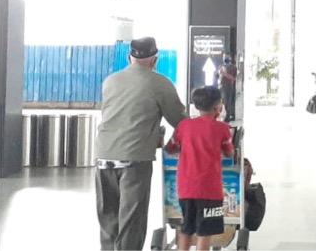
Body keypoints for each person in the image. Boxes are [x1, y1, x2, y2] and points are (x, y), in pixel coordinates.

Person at [95, 38, 186, 250]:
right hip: (134, 160)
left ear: (129, 58)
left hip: (103, 156)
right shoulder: (160, 83)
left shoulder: (110, 81)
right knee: (131, 222)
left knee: (108, 221)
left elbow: (120, 115)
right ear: (155, 60)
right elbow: (180, 121)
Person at [165, 87, 234, 251]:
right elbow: (229, 153)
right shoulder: (222, 128)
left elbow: (170, 148)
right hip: (210, 191)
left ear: (196, 106)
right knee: (205, 232)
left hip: (186, 189)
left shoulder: (183, 126)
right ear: (218, 107)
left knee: (186, 228)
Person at [217, 55, 238, 122]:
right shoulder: (221, 66)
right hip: (221, 85)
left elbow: (234, 78)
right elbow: (218, 76)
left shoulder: (233, 67)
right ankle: (223, 114)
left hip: (228, 86)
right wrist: (219, 74)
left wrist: (225, 74)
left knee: (227, 101)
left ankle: (228, 115)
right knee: (222, 101)